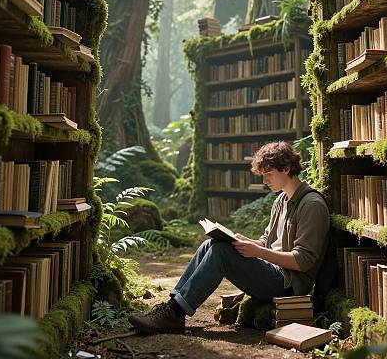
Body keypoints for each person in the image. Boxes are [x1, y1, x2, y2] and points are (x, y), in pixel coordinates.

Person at [128, 140, 330, 335]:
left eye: (268, 174)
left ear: (286, 168)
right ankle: (172, 307)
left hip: (289, 285)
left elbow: (303, 261)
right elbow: (267, 240)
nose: (265, 180)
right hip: (273, 271)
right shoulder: (281, 200)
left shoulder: (311, 204)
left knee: (221, 252)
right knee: (211, 244)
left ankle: (175, 314)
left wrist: (258, 252)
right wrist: (247, 242)